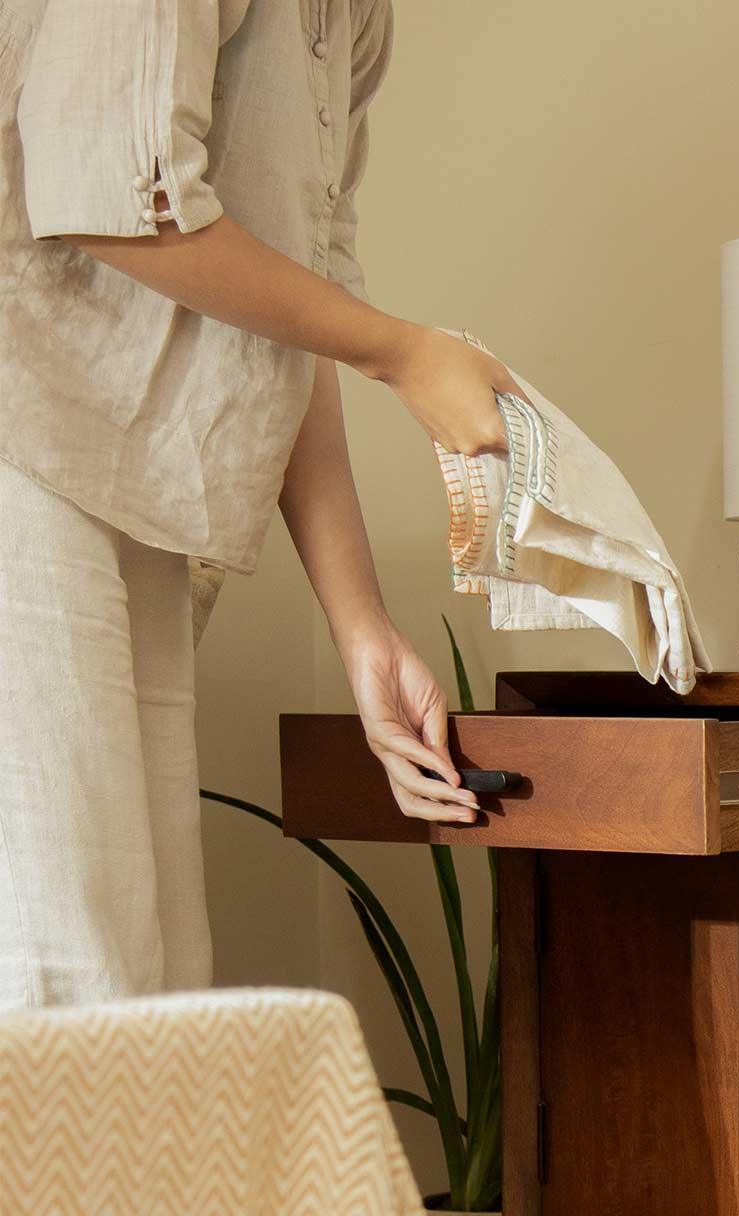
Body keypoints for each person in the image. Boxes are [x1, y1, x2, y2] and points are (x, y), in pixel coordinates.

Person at [0, 0, 503, 1010]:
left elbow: (292, 309)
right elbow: (102, 191)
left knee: (143, 985)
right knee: (58, 973)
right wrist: (400, 351)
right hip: (20, 442)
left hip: (115, 486)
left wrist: (361, 629)